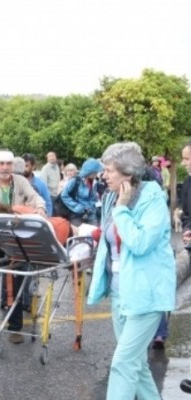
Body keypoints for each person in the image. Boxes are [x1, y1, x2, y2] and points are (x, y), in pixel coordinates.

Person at [87, 142, 175, 399]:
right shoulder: (110, 197)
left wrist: (122, 210)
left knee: (123, 364)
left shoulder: (152, 199)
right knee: (136, 364)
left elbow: (139, 243)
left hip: (145, 296)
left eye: (109, 170)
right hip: (120, 294)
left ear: (127, 173)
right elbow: (109, 245)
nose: (104, 175)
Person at [0, 150, 46, 344]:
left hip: (15, 242)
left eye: (8, 163)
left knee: (17, 284)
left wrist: (40, 208)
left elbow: (35, 197)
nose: (5, 167)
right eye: (1, 164)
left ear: (13, 165)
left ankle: (15, 327)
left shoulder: (21, 181)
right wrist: (19, 212)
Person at [179, 142, 191, 394]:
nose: (184, 163)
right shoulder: (188, 183)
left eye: (188, 158)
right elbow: (187, 213)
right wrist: (189, 228)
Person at [59, 158, 102, 226]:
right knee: (78, 232)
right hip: (77, 215)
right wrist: (77, 206)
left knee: (94, 232)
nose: (96, 174)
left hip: (91, 214)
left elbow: (94, 198)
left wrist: (92, 207)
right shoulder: (75, 181)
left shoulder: (95, 182)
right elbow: (64, 195)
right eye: (95, 172)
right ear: (89, 171)